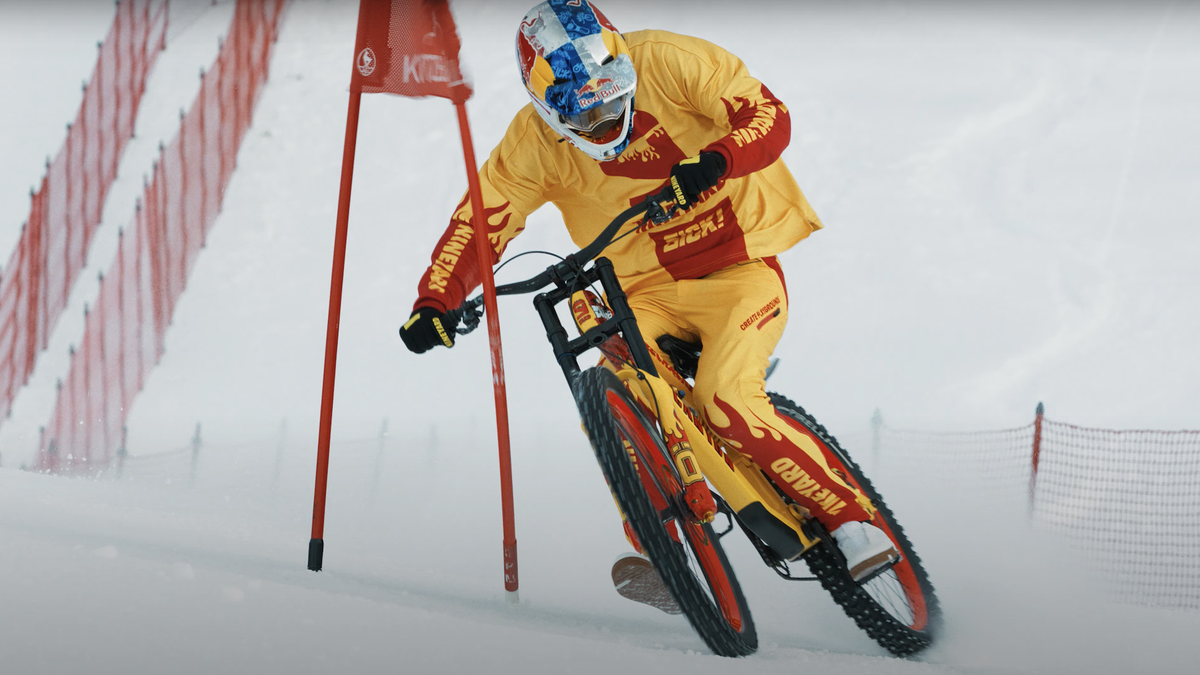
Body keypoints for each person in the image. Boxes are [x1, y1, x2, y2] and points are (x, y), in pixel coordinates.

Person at [400, 0, 898, 611]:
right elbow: (480, 221)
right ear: (543, 109)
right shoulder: (530, 144)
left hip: (738, 269)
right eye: (582, 118)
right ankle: (661, 549)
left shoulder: (670, 59)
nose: (604, 121)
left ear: (623, 64)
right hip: (641, 293)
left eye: (612, 99)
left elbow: (768, 114)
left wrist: (718, 159)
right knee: (612, 394)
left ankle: (853, 521)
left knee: (724, 398)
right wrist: (436, 300)